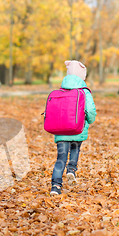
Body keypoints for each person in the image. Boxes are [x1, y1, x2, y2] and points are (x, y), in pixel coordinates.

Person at [50, 60, 97, 196]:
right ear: (82, 76)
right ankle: (71, 170)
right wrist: (90, 120)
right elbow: (91, 110)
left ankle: (55, 186)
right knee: (75, 148)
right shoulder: (84, 92)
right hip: (77, 128)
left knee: (60, 158)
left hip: (61, 131)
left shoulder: (60, 91)